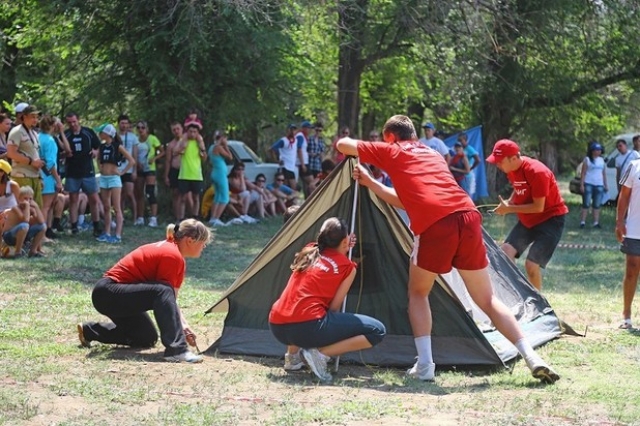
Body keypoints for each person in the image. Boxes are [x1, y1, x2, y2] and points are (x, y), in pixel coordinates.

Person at [336, 114, 559, 384]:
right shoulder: (431, 154)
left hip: (435, 225)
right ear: (415, 135)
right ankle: (531, 356)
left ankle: (425, 365)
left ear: (391, 138)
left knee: (418, 293)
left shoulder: (393, 150)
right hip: (467, 215)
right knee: (487, 300)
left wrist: (371, 157)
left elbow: (343, 145)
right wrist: (372, 183)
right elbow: (409, 201)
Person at [77, 219, 211, 363]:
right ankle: (177, 350)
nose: (204, 247)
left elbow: (171, 300)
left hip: (116, 295)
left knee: (145, 337)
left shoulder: (173, 252)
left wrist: (183, 326)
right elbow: (165, 294)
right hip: (107, 293)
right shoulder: (172, 255)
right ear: (190, 240)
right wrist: (180, 328)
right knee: (162, 290)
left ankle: (90, 331)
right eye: (203, 243)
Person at [269, 217, 386, 381]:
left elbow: (330, 251)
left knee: (299, 303)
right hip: (308, 327)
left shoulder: (309, 251)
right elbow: (334, 308)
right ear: (344, 242)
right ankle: (320, 355)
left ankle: (292, 357)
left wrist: (344, 245)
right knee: (377, 330)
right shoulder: (347, 267)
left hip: (277, 325)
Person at [487, 139, 569, 291]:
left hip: (550, 220)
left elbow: (539, 207)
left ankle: (539, 305)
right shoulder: (511, 170)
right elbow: (519, 188)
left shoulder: (538, 172)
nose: (497, 165)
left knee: (531, 265)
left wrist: (510, 209)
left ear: (514, 158)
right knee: (505, 253)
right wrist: (509, 203)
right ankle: (516, 295)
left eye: (500, 161)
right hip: (529, 220)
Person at [95, 124, 136, 244]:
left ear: (107, 133)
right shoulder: (101, 146)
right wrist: (100, 168)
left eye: (101, 132)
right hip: (104, 178)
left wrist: (122, 172)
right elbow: (98, 159)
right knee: (106, 206)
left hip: (114, 178)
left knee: (116, 207)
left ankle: (117, 235)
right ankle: (107, 233)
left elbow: (131, 160)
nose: (99, 134)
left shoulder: (117, 146)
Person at [64, 112, 102, 236]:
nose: (72, 124)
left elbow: (98, 146)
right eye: (69, 122)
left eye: (74, 121)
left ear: (78, 120)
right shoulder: (65, 134)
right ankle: (74, 226)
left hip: (88, 171)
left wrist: (95, 152)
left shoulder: (88, 132)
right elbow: (60, 152)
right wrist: (65, 154)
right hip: (72, 172)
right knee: (73, 199)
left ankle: (96, 225)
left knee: (94, 199)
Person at [615, 158, 640, 329]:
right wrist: (619, 221)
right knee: (632, 269)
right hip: (634, 227)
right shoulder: (634, 165)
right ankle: (627, 315)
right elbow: (624, 195)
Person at [7, 105, 45, 208]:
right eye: (32, 116)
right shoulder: (16, 131)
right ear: (24, 117)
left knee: (37, 209)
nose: (35, 120)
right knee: (25, 209)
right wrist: (31, 162)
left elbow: (35, 154)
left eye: (37, 117)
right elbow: (11, 153)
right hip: (22, 176)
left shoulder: (34, 133)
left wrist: (40, 177)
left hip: (34, 176)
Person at [38, 115, 64, 239]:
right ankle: (41, 235)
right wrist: (58, 181)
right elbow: (51, 163)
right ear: (53, 126)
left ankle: (45, 231)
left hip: (37, 175)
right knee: (45, 207)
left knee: (43, 206)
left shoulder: (37, 137)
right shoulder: (50, 140)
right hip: (47, 177)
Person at [2, 185, 46, 258]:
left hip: (22, 235)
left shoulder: (31, 209)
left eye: (30, 199)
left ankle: (33, 251)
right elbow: (25, 220)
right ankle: (18, 252)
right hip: (9, 237)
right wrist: (28, 206)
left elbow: (41, 222)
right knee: (24, 225)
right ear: (19, 199)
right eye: (25, 198)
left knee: (43, 226)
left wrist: (36, 207)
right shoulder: (15, 208)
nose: (28, 201)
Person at [133, 121, 163, 227]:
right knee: (139, 193)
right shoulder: (135, 139)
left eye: (143, 127)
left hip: (150, 168)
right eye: (138, 127)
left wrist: (154, 158)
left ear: (147, 129)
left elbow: (162, 151)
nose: (141, 129)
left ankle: (153, 218)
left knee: (150, 192)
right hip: (139, 169)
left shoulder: (152, 139)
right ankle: (140, 217)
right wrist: (136, 164)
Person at [177, 122, 206, 219]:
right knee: (182, 198)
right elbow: (175, 152)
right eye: (190, 131)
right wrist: (182, 147)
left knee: (196, 198)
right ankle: (180, 219)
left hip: (196, 175)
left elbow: (205, 158)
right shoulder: (183, 141)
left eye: (194, 132)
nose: (192, 134)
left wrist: (202, 150)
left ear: (197, 133)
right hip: (184, 174)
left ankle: (195, 217)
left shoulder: (199, 143)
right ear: (187, 132)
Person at [207, 130, 233, 227]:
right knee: (225, 197)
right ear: (222, 138)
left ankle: (213, 218)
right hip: (220, 174)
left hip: (215, 173)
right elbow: (230, 157)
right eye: (225, 138)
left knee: (218, 196)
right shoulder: (218, 147)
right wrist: (225, 145)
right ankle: (216, 218)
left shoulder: (211, 147)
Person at [116, 114, 139, 223]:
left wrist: (135, 170)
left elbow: (135, 154)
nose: (124, 125)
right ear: (118, 124)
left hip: (129, 169)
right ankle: (121, 217)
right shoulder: (115, 136)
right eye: (122, 123)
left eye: (126, 123)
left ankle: (136, 218)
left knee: (130, 193)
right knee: (120, 195)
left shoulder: (133, 137)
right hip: (118, 169)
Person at [579, 142, 608, 229]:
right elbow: (583, 173)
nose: (598, 152)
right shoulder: (587, 160)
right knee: (586, 203)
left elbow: (604, 173)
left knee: (597, 204)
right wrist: (582, 185)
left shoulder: (601, 160)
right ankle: (582, 221)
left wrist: (605, 184)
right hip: (589, 183)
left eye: (599, 150)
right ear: (592, 151)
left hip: (599, 184)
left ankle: (596, 222)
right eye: (596, 150)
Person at [164, 121, 185, 222]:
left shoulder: (187, 141)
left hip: (186, 171)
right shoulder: (171, 145)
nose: (176, 131)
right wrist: (166, 175)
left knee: (186, 195)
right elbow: (168, 161)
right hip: (175, 170)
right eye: (174, 130)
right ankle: (177, 217)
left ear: (182, 128)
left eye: (178, 129)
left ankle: (190, 217)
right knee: (176, 194)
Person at [270, 124, 300, 190]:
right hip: (285, 166)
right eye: (291, 129)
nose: (292, 131)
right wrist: (276, 161)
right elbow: (272, 149)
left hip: (292, 167)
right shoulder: (283, 140)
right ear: (288, 130)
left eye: (294, 130)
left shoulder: (296, 140)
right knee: (286, 187)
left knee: (292, 188)